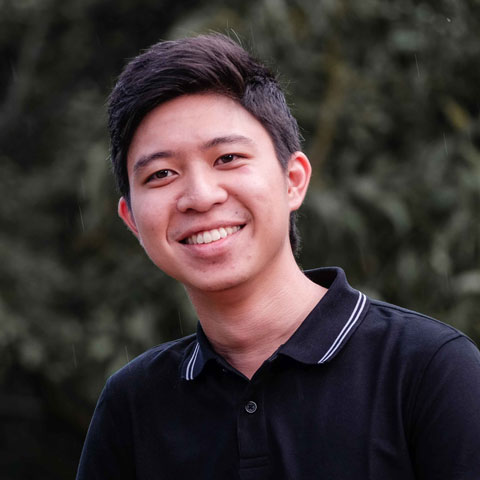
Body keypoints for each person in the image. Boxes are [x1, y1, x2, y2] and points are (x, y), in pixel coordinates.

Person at [76, 34, 480, 479]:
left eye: (228, 157)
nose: (201, 196)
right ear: (132, 219)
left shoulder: (431, 370)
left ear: (293, 180)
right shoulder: (132, 405)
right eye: (162, 174)